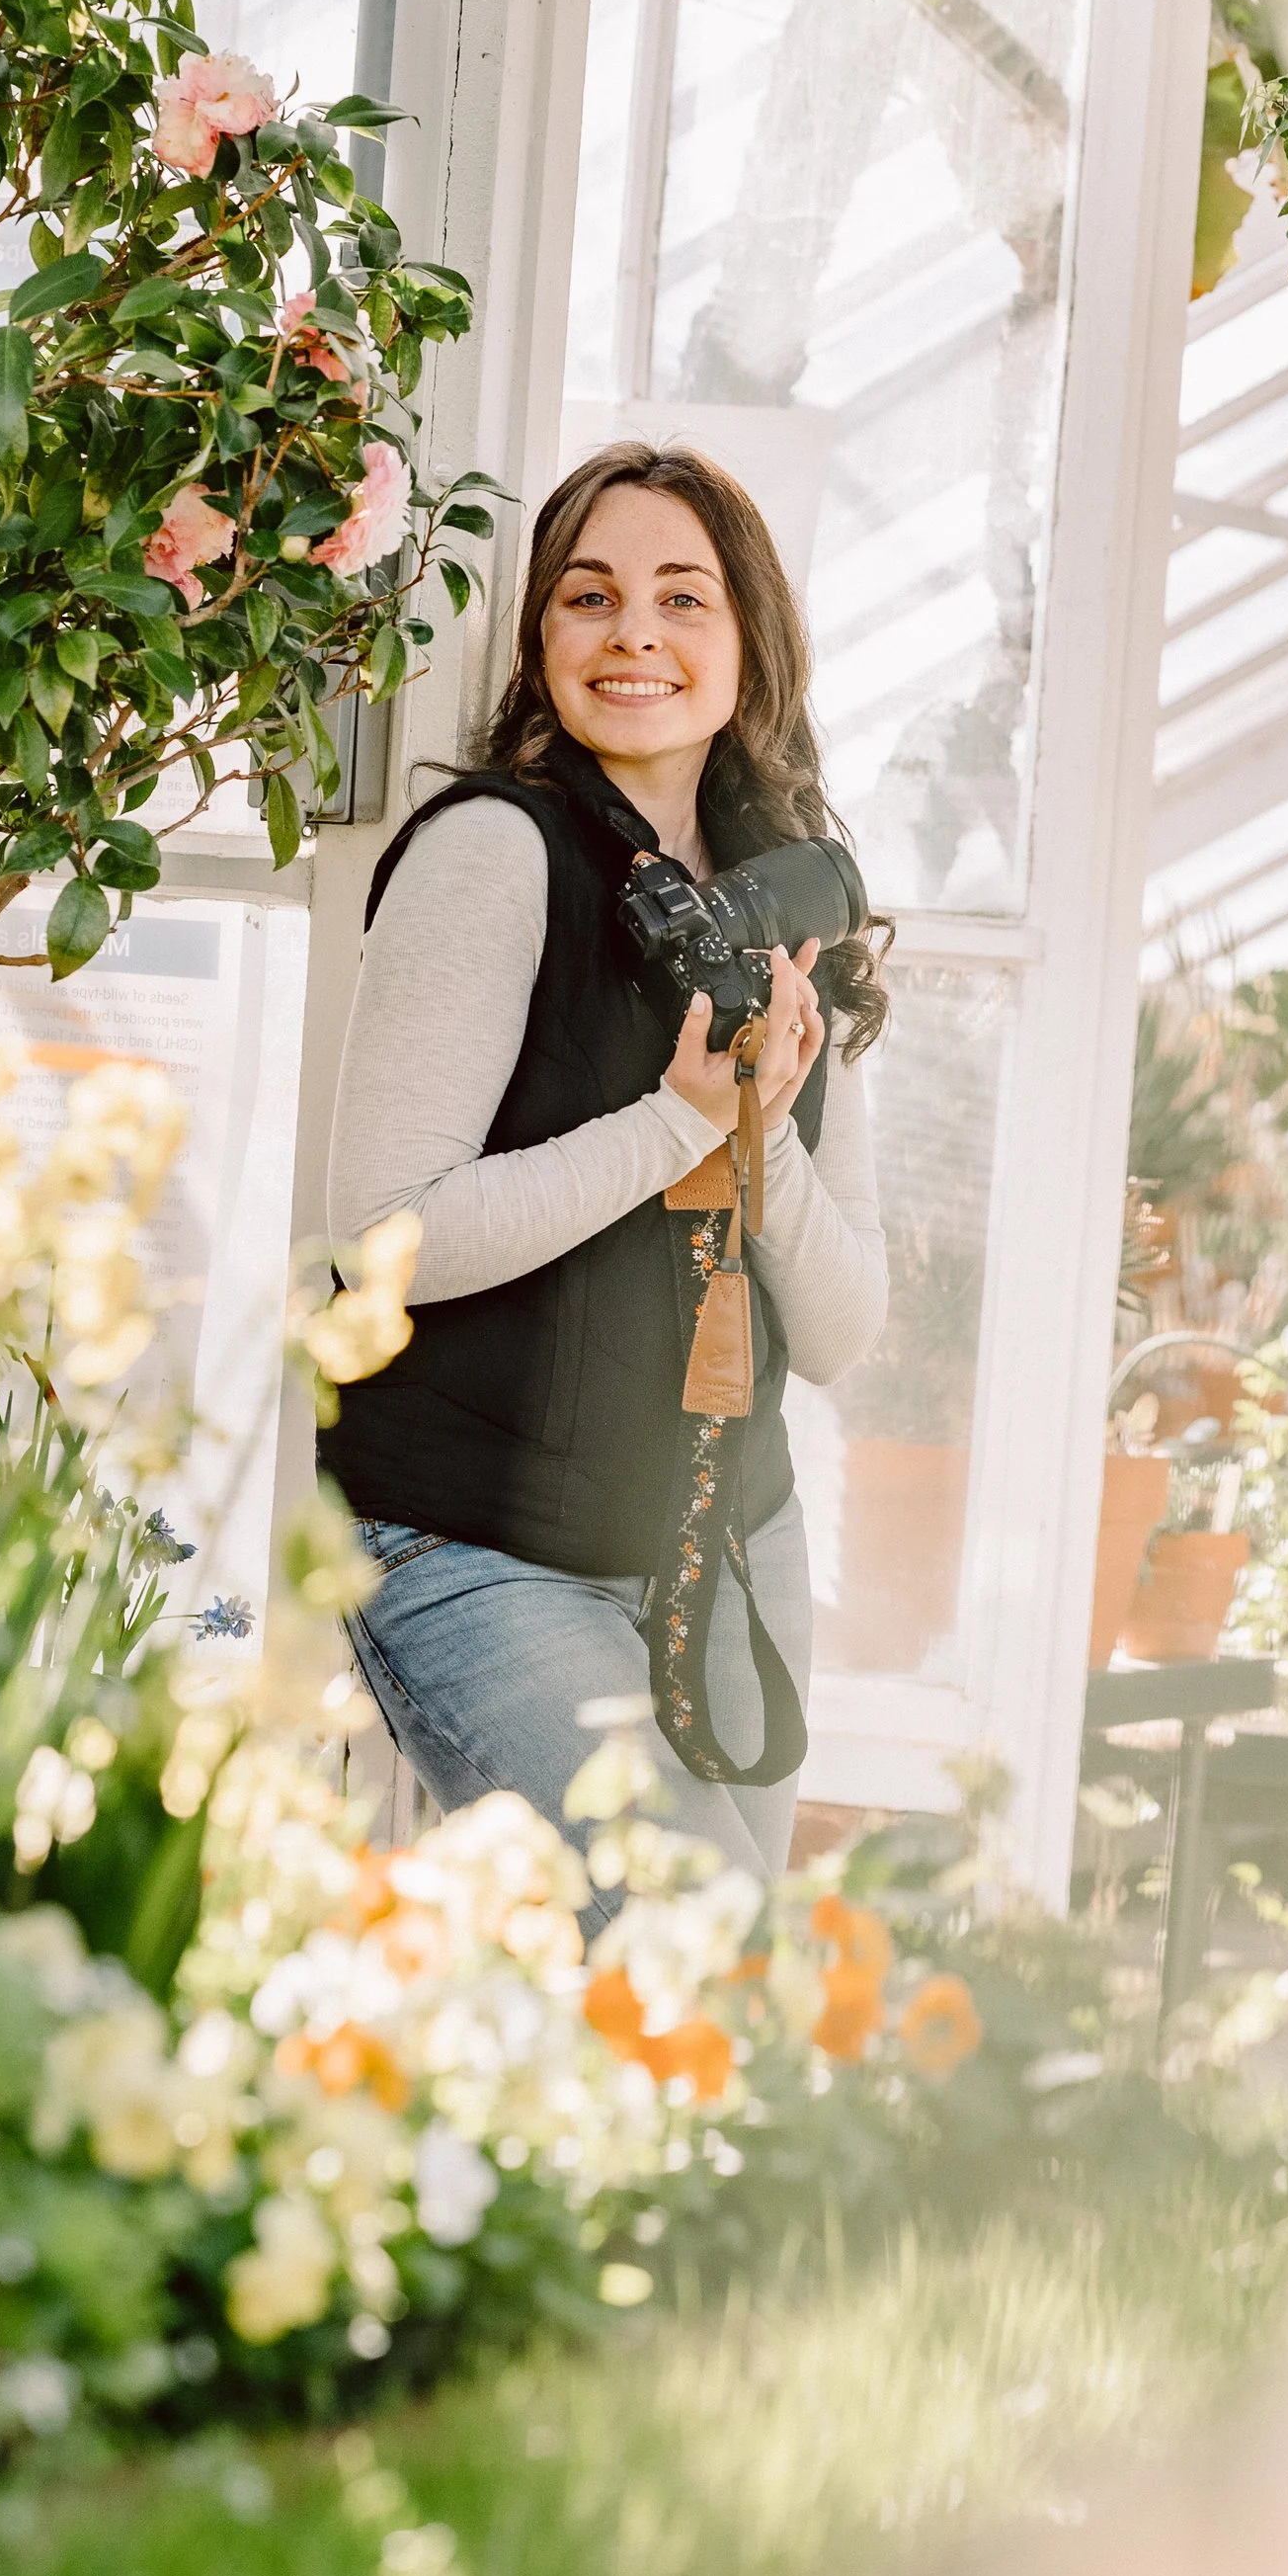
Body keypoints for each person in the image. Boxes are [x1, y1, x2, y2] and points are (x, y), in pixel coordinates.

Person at [319, 440, 889, 1875]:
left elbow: (841, 1329)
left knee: (699, 2045)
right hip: (477, 1552)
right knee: (696, 1977)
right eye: (590, 596)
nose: (635, 631)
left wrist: (760, 1134)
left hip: (729, 1543)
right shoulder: (494, 854)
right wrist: (676, 1126)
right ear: (542, 641)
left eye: (683, 597)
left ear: (751, 645)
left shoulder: (787, 898)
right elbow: (391, 1234)